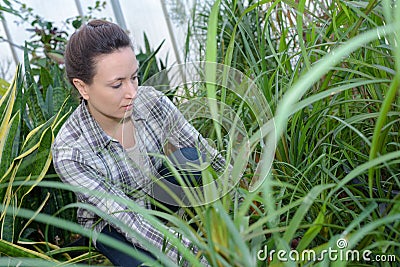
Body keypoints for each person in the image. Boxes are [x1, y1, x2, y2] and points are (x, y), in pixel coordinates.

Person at [52, 19, 226, 266]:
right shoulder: (70, 151)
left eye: (134, 77)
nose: (132, 92)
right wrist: (197, 257)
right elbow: (127, 218)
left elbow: (206, 153)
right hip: (113, 222)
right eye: (117, 84)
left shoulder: (151, 101)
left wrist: (250, 201)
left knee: (192, 157)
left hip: (154, 192)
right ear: (83, 87)